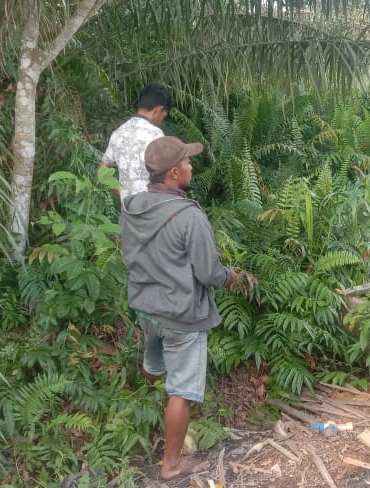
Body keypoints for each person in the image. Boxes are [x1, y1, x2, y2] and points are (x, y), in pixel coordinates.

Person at [120, 136, 238, 480]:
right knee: (181, 391)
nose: (191, 166)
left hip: (145, 306)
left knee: (155, 363)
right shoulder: (189, 216)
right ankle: (171, 464)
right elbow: (209, 273)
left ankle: (140, 409)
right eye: (186, 162)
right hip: (181, 314)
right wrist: (233, 277)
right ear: (173, 173)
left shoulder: (132, 206)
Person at [100, 82, 172, 201]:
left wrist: (121, 195)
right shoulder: (156, 134)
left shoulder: (118, 133)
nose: (161, 120)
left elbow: (102, 169)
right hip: (150, 208)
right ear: (158, 110)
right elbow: (166, 176)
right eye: (163, 116)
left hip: (128, 210)